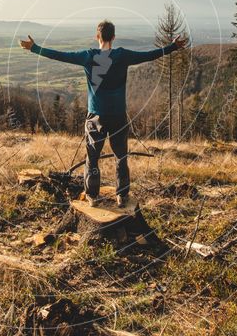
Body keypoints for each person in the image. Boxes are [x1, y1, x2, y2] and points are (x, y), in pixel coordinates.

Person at [20, 20, 188, 207]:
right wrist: (173, 46)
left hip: (95, 117)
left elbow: (59, 56)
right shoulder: (122, 56)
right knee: (121, 157)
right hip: (118, 116)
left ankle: (92, 196)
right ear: (113, 37)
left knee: (92, 158)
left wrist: (34, 48)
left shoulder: (88, 57)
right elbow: (150, 55)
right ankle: (122, 196)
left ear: (97, 36)